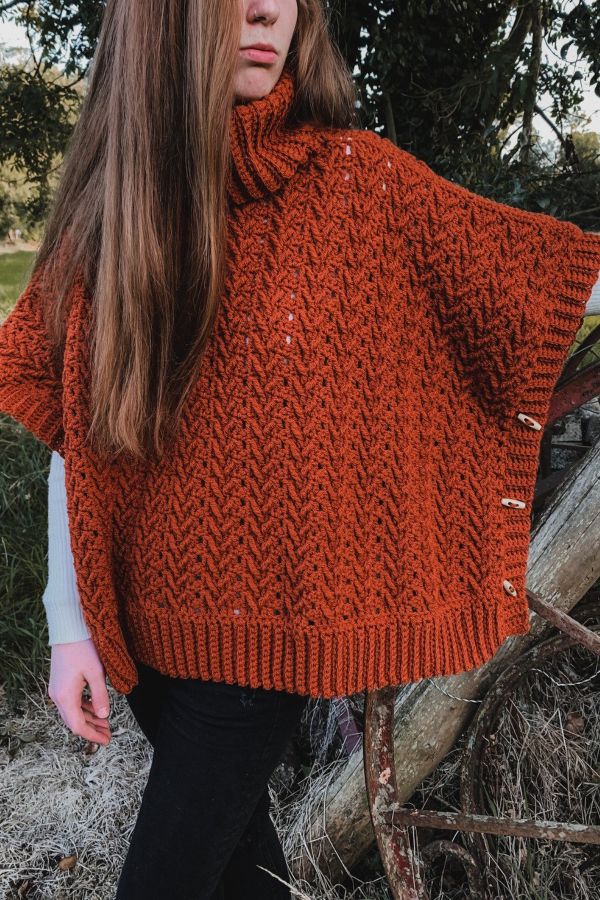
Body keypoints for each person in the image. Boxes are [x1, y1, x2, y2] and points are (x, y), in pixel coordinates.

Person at [1, 1, 600, 898]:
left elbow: (537, 284)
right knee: (240, 866)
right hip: (145, 626)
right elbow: (77, 428)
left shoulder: (360, 184)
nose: (267, 7)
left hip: (263, 641)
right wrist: (68, 622)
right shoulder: (120, 197)